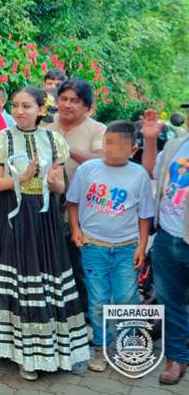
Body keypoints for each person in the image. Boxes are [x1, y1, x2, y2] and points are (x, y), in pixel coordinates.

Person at [0, 86, 90, 381]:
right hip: (13, 218)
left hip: (45, 219)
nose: (20, 111)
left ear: (40, 109)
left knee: (44, 280)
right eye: (15, 106)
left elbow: (61, 188)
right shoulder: (2, 140)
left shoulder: (53, 140)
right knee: (18, 281)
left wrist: (53, 182)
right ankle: (20, 352)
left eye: (26, 106)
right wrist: (21, 178)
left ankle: (47, 352)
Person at [67, 120, 153, 373]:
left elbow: (144, 215)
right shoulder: (88, 169)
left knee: (127, 298)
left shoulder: (139, 175)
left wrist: (142, 246)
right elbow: (73, 201)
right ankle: (100, 348)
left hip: (127, 247)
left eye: (120, 146)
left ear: (133, 150)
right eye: (108, 144)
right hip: (93, 247)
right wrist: (76, 229)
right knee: (98, 299)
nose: (112, 150)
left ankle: (128, 348)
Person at [47, 78, 107, 307]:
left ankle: (87, 317)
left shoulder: (97, 129)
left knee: (80, 264)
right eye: (63, 99)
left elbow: (103, 160)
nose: (67, 105)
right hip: (49, 205)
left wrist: (67, 149)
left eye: (75, 100)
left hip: (83, 210)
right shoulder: (46, 127)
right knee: (53, 262)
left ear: (87, 106)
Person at [140, 108, 189, 385]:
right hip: (168, 236)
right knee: (171, 301)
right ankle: (176, 357)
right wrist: (149, 140)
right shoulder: (175, 144)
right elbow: (150, 171)